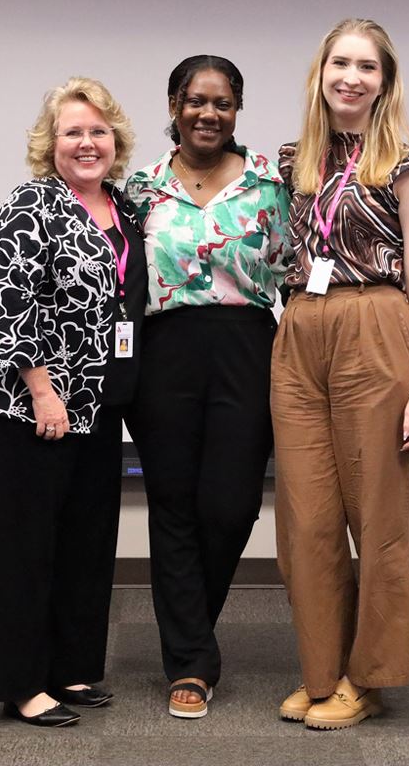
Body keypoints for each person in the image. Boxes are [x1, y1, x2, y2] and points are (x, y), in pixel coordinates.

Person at [272, 18, 409, 730]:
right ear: (320, 74)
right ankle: (322, 671)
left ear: (385, 82)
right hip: (299, 329)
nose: (351, 77)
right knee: (306, 518)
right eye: (339, 63)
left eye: (367, 67)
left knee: (378, 516)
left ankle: (368, 676)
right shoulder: (294, 163)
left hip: (375, 326)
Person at [0, 77, 147, 727]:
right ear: (51, 143)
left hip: (95, 406)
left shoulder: (124, 209)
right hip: (23, 405)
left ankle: (70, 666)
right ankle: (21, 683)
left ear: (116, 140)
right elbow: (10, 308)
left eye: (98, 130)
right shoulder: (31, 204)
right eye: (73, 132)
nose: (87, 142)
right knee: (25, 547)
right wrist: (42, 391)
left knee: (85, 542)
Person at [124, 55, 290, 719]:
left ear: (237, 110)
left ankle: (191, 632)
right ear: (174, 105)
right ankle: (190, 662)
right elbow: (121, 281)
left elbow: (296, 273)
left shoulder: (270, 185)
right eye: (196, 100)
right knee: (172, 506)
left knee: (230, 506)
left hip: (246, 348)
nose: (208, 114)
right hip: (163, 353)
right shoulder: (140, 189)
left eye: (222, 102)